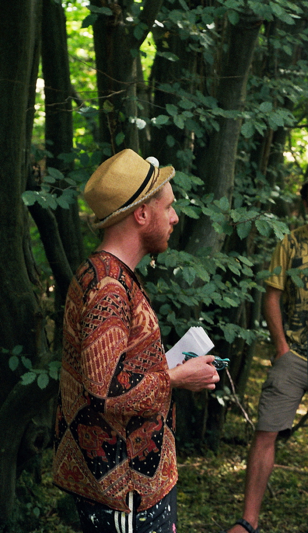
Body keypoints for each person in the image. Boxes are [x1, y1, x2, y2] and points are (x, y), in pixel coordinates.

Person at [53, 149, 220, 532]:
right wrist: (177, 378)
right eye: (169, 207)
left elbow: (119, 368)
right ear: (141, 214)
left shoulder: (106, 275)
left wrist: (168, 368)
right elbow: (105, 390)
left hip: (131, 480)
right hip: (122, 488)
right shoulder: (108, 289)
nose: (175, 217)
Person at [228, 170, 308, 533]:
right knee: (266, 431)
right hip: (294, 353)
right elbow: (273, 295)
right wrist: (280, 345)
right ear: (306, 203)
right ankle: (248, 519)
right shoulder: (291, 243)